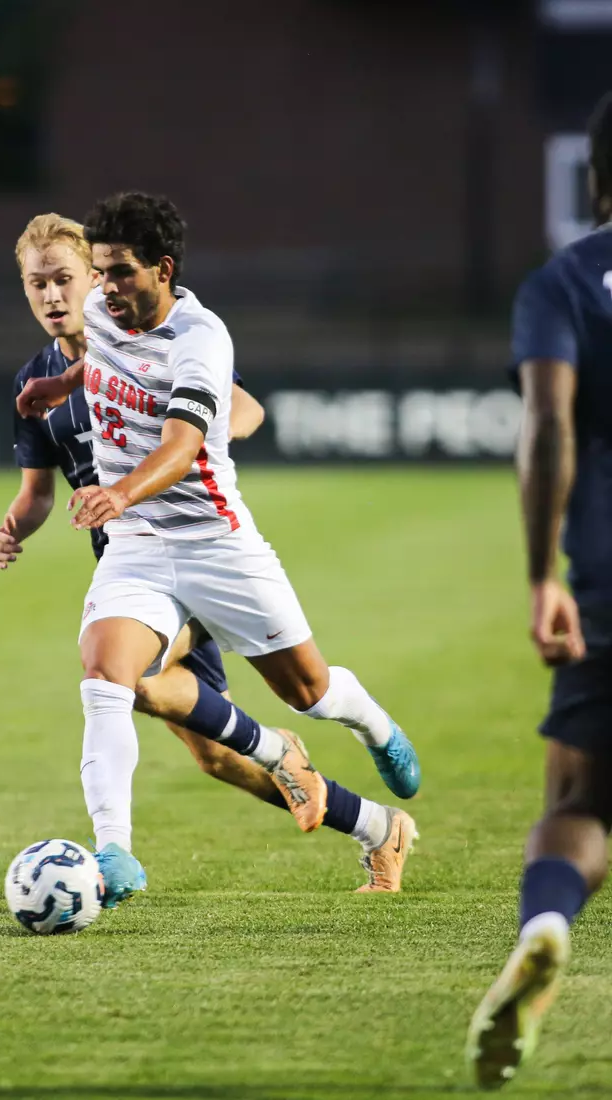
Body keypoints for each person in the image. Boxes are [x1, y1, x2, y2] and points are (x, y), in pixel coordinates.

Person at [14, 196, 420, 907]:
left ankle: (370, 725)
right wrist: (60, 382)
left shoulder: (202, 338)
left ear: (162, 270)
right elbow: (104, 358)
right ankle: (115, 852)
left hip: (215, 545)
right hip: (138, 549)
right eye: (99, 273)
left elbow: (183, 444)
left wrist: (120, 493)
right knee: (108, 678)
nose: (102, 290)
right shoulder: (108, 312)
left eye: (119, 273)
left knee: (309, 692)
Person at [467, 91, 612, 1088]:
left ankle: (548, 920)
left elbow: (548, 425)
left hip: (606, 581)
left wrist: (537, 574)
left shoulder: (563, 282)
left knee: (577, 793)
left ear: (596, 177)